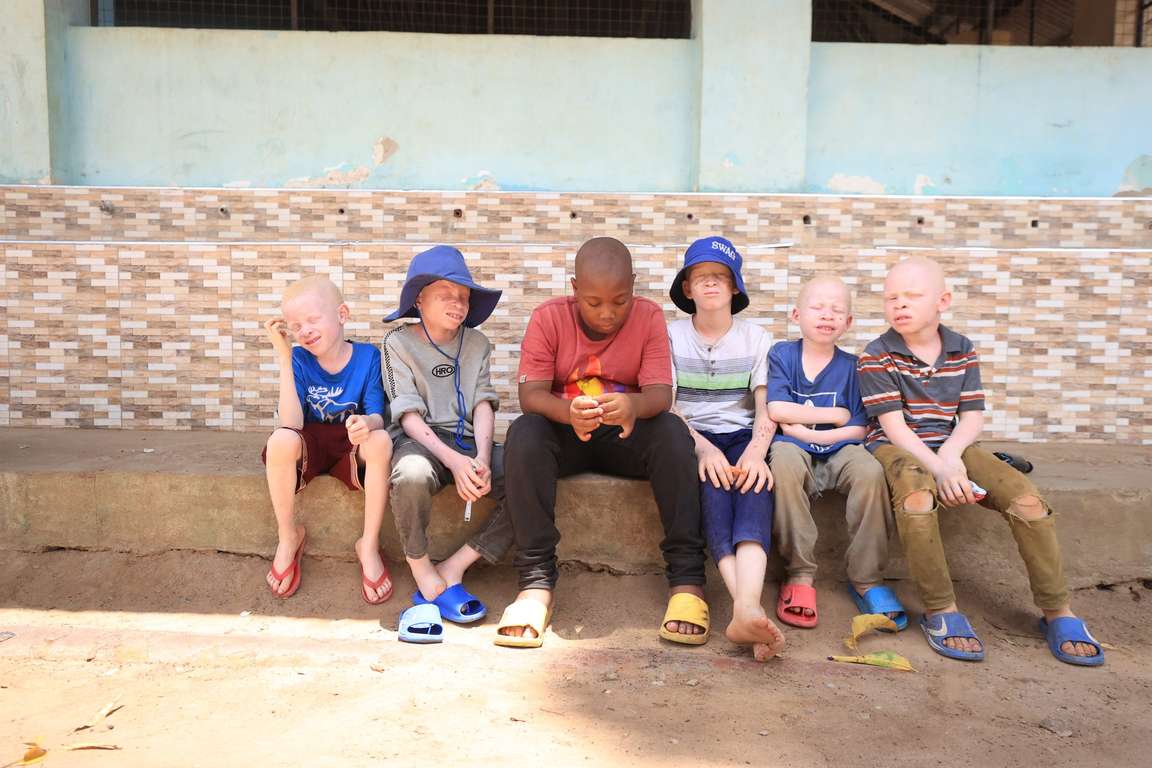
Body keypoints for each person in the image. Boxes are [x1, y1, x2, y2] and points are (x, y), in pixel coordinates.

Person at [857, 257, 1103, 665]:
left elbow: (971, 417)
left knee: (1027, 502)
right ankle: (941, 609)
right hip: (896, 446)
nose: (899, 304)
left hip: (949, 442)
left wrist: (951, 456)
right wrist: (939, 469)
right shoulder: (876, 354)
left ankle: (1058, 611)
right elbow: (894, 427)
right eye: (891, 298)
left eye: (912, 296)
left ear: (943, 301)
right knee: (917, 500)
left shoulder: (961, 348)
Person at [495, 237, 708, 649]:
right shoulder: (548, 318)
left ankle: (687, 582)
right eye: (593, 302)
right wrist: (567, 412)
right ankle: (535, 585)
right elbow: (531, 395)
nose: (608, 313)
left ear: (633, 286)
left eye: (620, 300)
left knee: (672, 433)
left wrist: (632, 405)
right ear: (575, 288)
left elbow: (660, 395)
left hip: (625, 434)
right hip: (568, 432)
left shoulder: (648, 316)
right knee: (524, 433)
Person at [667, 236, 785, 662]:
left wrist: (755, 451)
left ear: (735, 286)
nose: (711, 283)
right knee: (714, 495)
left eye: (720, 276)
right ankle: (747, 608)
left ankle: (746, 608)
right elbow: (667, 405)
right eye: (700, 277)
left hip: (742, 436)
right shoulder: (670, 336)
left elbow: (765, 405)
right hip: (693, 435)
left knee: (755, 489)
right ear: (687, 288)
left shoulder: (756, 338)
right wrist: (701, 448)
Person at [382, 245, 513, 627]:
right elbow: (407, 414)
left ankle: (456, 565)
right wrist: (454, 462)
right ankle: (421, 566)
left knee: (532, 477)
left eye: (464, 296)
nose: (458, 303)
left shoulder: (477, 344)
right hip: (420, 440)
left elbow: (483, 403)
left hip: (469, 440)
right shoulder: (397, 343)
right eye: (446, 294)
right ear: (419, 300)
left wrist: (482, 458)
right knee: (410, 475)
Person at [767, 276, 903, 631]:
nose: (827, 315)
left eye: (837, 310)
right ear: (796, 314)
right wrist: (834, 415)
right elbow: (777, 408)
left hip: (842, 450)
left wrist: (808, 431)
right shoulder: (782, 355)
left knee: (870, 471)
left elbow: (858, 428)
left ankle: (867, 578)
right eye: (817, 307)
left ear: (848, 322)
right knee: (782, 463)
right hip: (793, 449)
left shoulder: (853, 367)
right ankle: (799, 572)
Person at [261, 275, 393, 603]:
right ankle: (288, 537)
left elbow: (378, 416)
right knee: (279, 441)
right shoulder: (299, 358)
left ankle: (368, 544)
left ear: (342, 314)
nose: (304, 330)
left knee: (381, 441)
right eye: (295, 326)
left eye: (312, 320)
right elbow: (290, 425)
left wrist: (366, 422)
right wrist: (284, 357)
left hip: (350, 444)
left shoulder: (368, 356)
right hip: (312, 444)